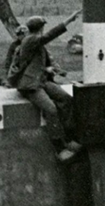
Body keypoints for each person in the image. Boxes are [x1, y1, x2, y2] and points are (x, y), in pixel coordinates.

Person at [12, 11, 82, 162]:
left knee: (66, 99)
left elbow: (37, 62)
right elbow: (50, 35)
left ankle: (69, 137)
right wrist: (68, 20)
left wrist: (49, 69)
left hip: (41, 81)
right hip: (30, 85)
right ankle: (59, 148)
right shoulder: (30, 39)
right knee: (51, 109)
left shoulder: (34, 41)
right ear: (40, 28)